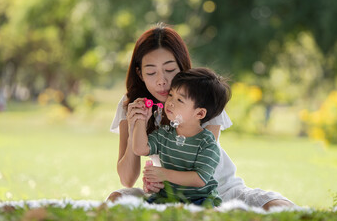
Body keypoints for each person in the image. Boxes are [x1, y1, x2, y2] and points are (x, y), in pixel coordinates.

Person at [108, 23, 294, 210]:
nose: (161, 81)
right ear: (140, 73)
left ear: (182, 66)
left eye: (170, 70)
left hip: (217, 190)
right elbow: (127, 179)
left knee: (278, 206)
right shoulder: (131, 104)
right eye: (150, 72)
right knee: (116, 200)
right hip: (168, 191)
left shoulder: (203, 97)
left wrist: (162, 175)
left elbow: (200, 170)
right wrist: (136, 125)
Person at [131, 68, 230, 207]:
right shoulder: (164, 134)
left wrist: (164, 174)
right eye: (171, 95)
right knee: (140, 210)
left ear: (200, 113)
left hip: (200, 200)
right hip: (167, 197)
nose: (170, 102)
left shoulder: (207, 142)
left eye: (179, 100)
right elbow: (140, 149)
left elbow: (199, 179)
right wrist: (141, 119)